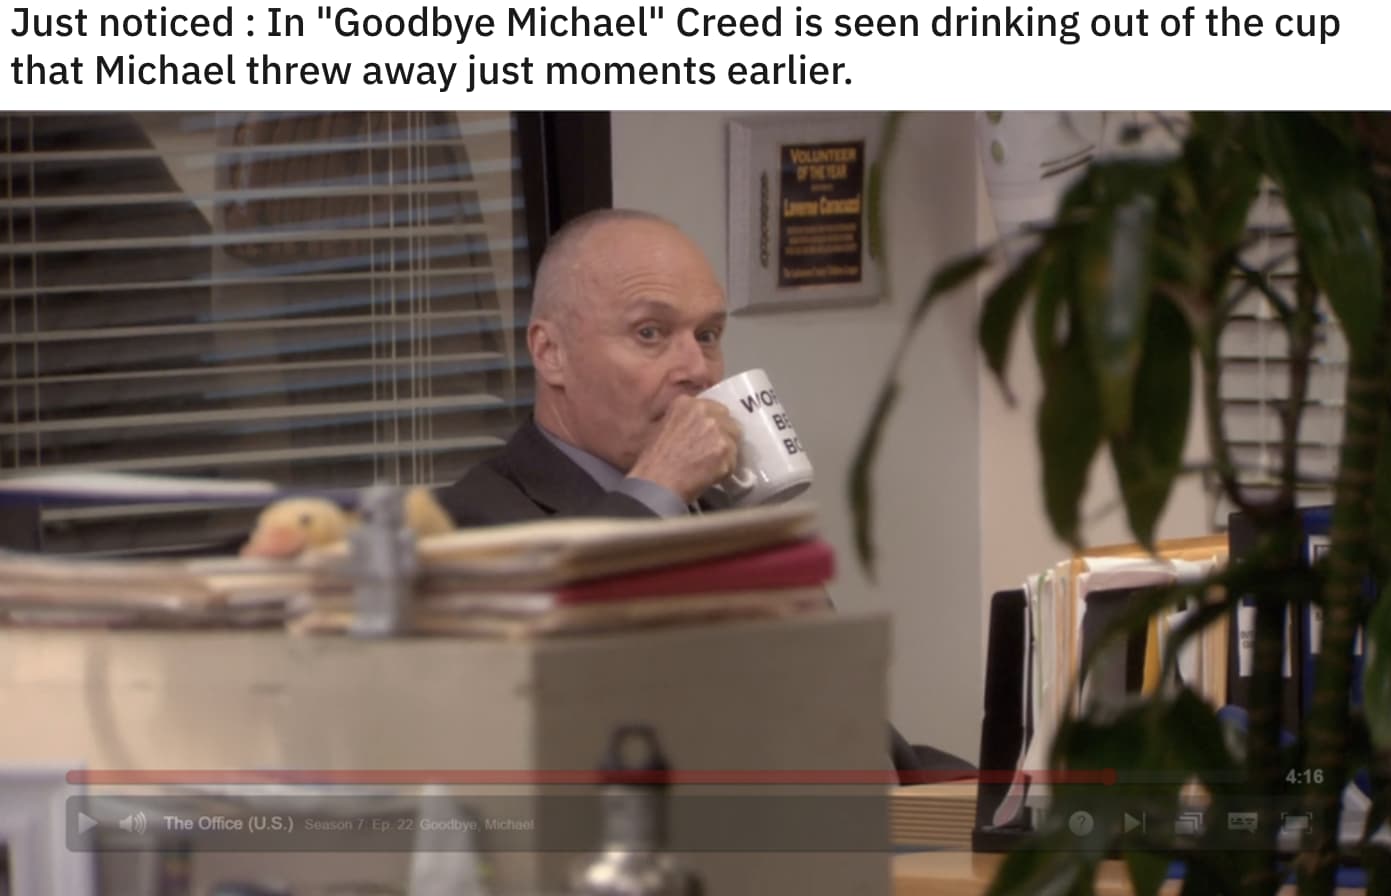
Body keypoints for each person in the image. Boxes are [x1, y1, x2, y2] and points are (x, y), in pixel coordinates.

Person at [435, 208, 744, 525]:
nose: (698, 371)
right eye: (649, 333)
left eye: (707, 336)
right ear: (550, 352)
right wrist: (661, 488)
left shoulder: (722, 506)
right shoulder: (468, 518)